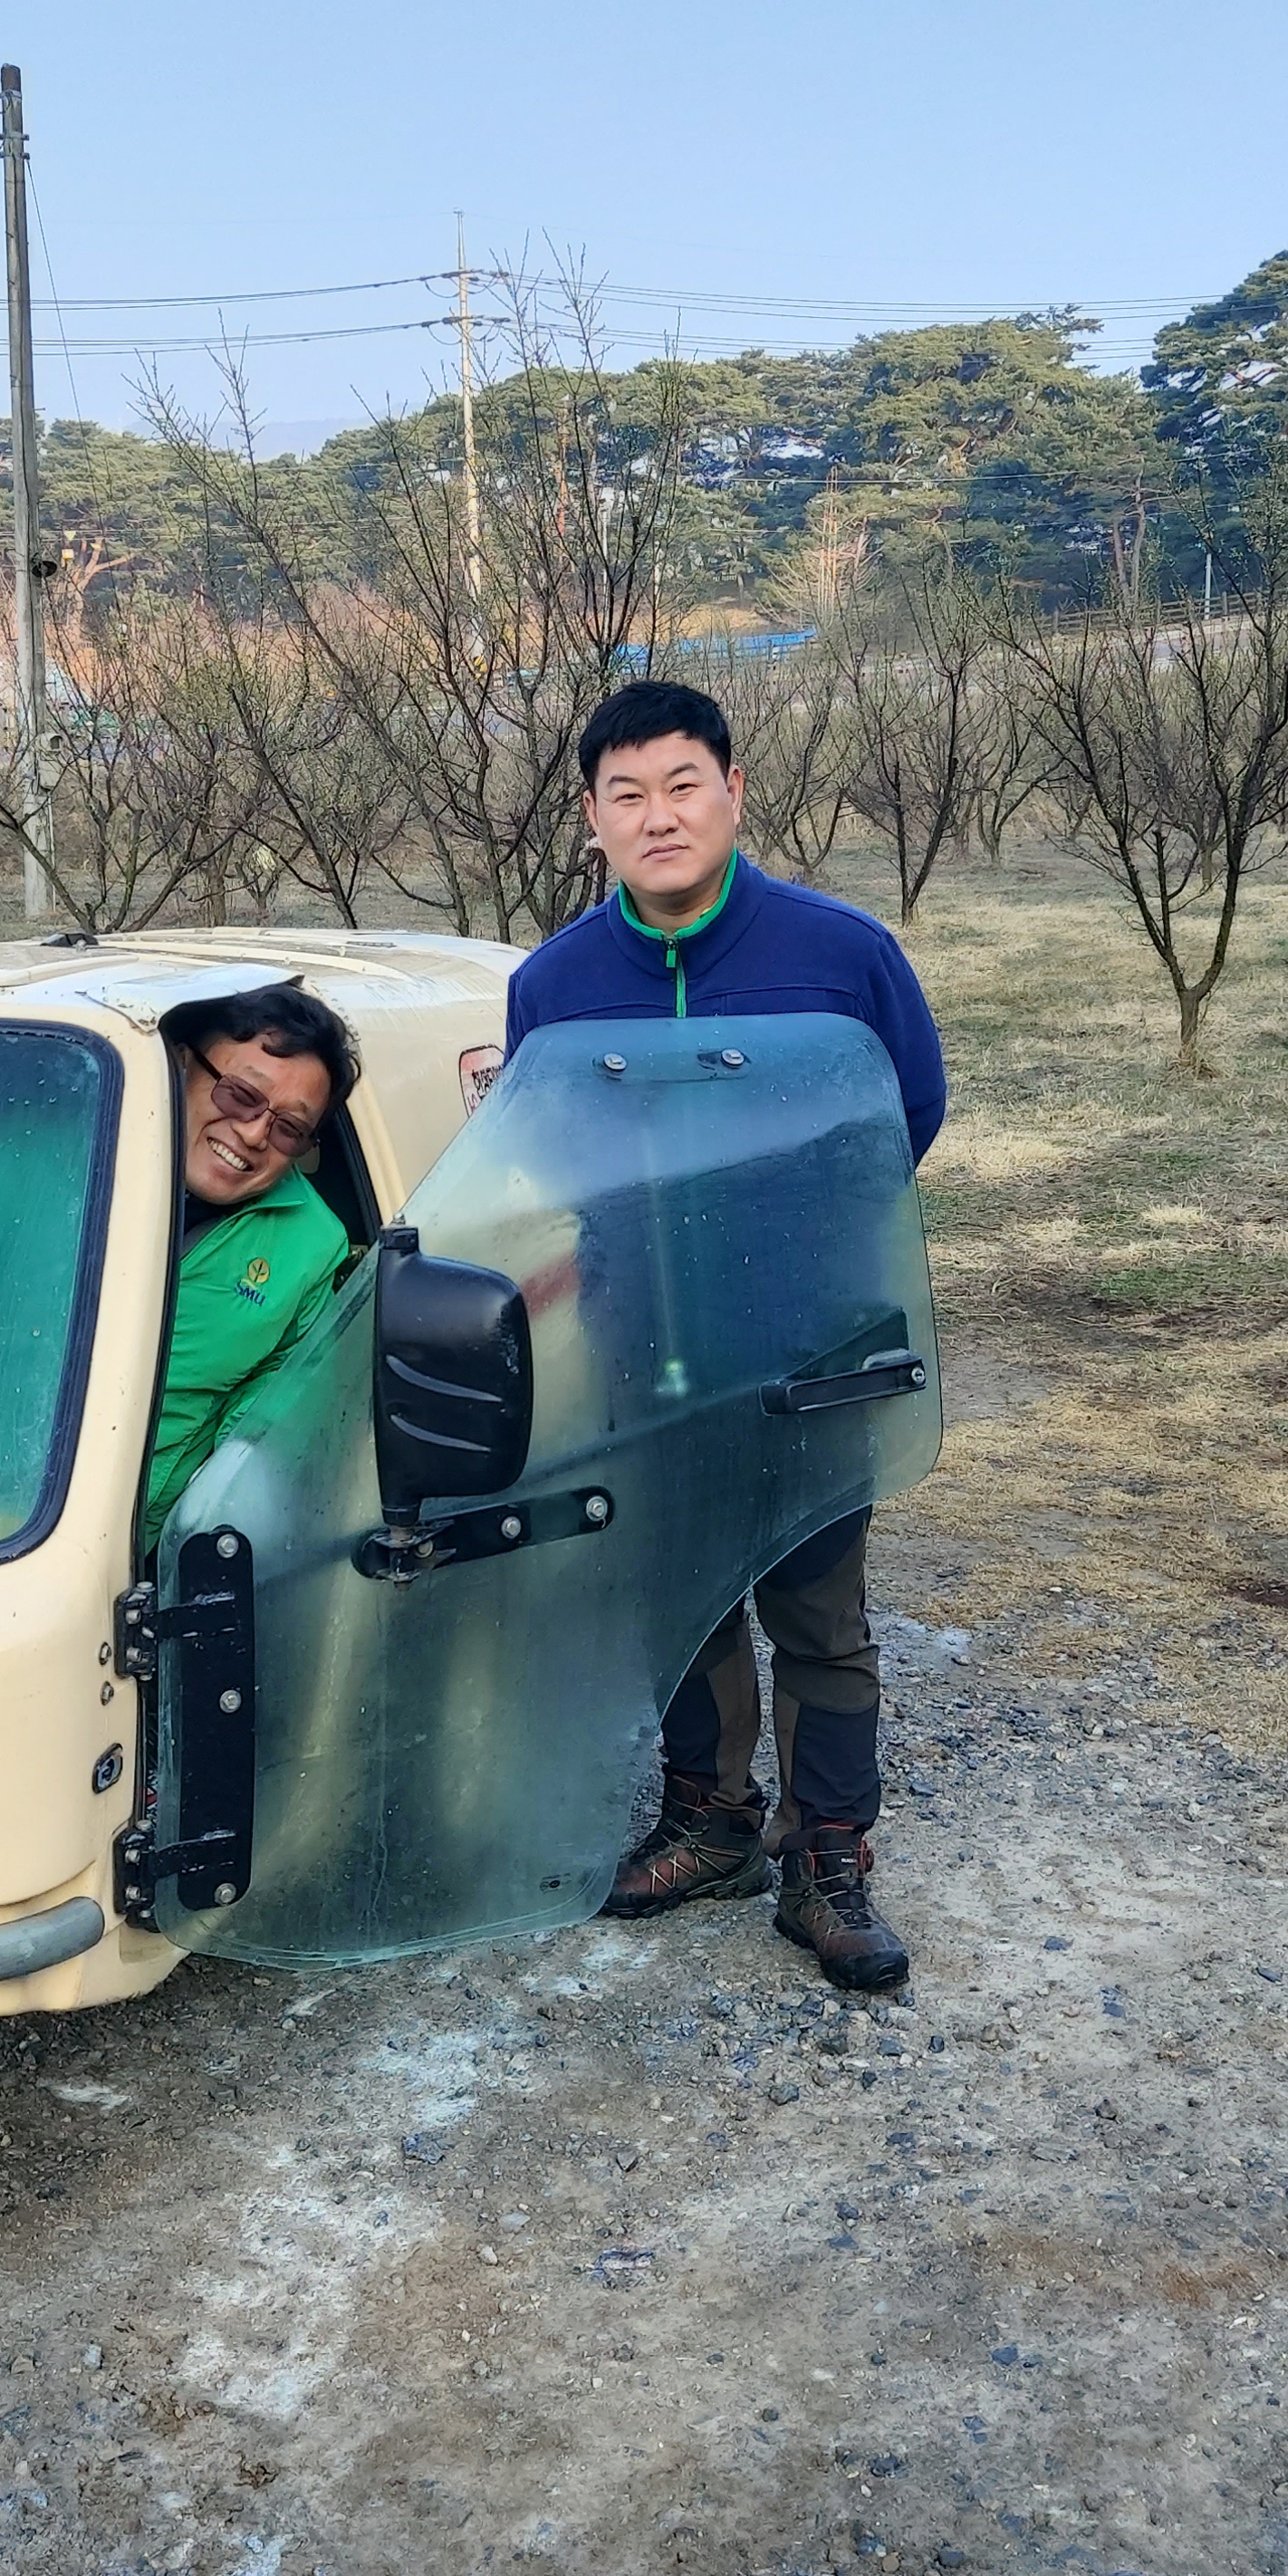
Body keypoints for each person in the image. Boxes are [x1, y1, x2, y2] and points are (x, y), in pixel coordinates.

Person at [502, 676, 947, 1991]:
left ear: (734, 793)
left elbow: (906, 1114)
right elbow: (546, 1151)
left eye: (683, 785)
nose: (659, 817)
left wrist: (784, 1241)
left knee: (819, 1613)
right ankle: (711, 1825)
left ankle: (828, 1860)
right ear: (592, 819)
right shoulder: (555, 986)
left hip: (817, 1344)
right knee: (683, 1593)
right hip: (648, 1352)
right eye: (627, 795)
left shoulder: (840, 955)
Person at [0, 984, 360, 1554]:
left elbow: (275, 1403)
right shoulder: (38, 1158)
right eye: (240, 1095)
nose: (254, 1134)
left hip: (128, 1566)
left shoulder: (312, 1245)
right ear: (181, 1066)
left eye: (288, 1128)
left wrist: (250, 1468)